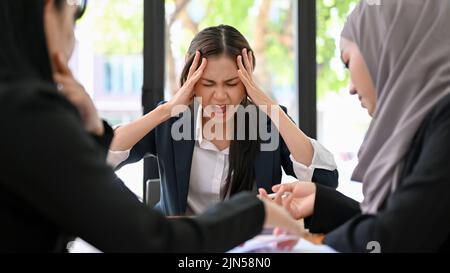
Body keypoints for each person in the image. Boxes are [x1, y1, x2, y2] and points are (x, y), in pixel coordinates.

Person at [0, 0, 302, 253]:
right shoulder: (28, 112)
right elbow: (146, 236)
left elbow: (77, 196)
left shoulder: (21, 107)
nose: (75, 37)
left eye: (232, 84)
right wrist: (256, 210)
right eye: (74, 14)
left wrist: (91, 132)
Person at [262, 0, 450, 252]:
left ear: (387, 48)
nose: (350, 87)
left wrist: (306, 246)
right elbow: (407, 221)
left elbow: (397, 239)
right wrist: (323, 201)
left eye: (348, 61)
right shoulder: (430, 122)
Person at [108, 25, 338, 216]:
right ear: (192, 80)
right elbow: (105, 155)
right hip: (180, 243)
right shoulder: (172, 121)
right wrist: (167, 109)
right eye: (208, 84)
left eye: (231, 84)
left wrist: (271, 108)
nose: (220, 96)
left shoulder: (268, 122)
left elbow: (325, 180)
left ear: (247, 79)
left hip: (248, 246)